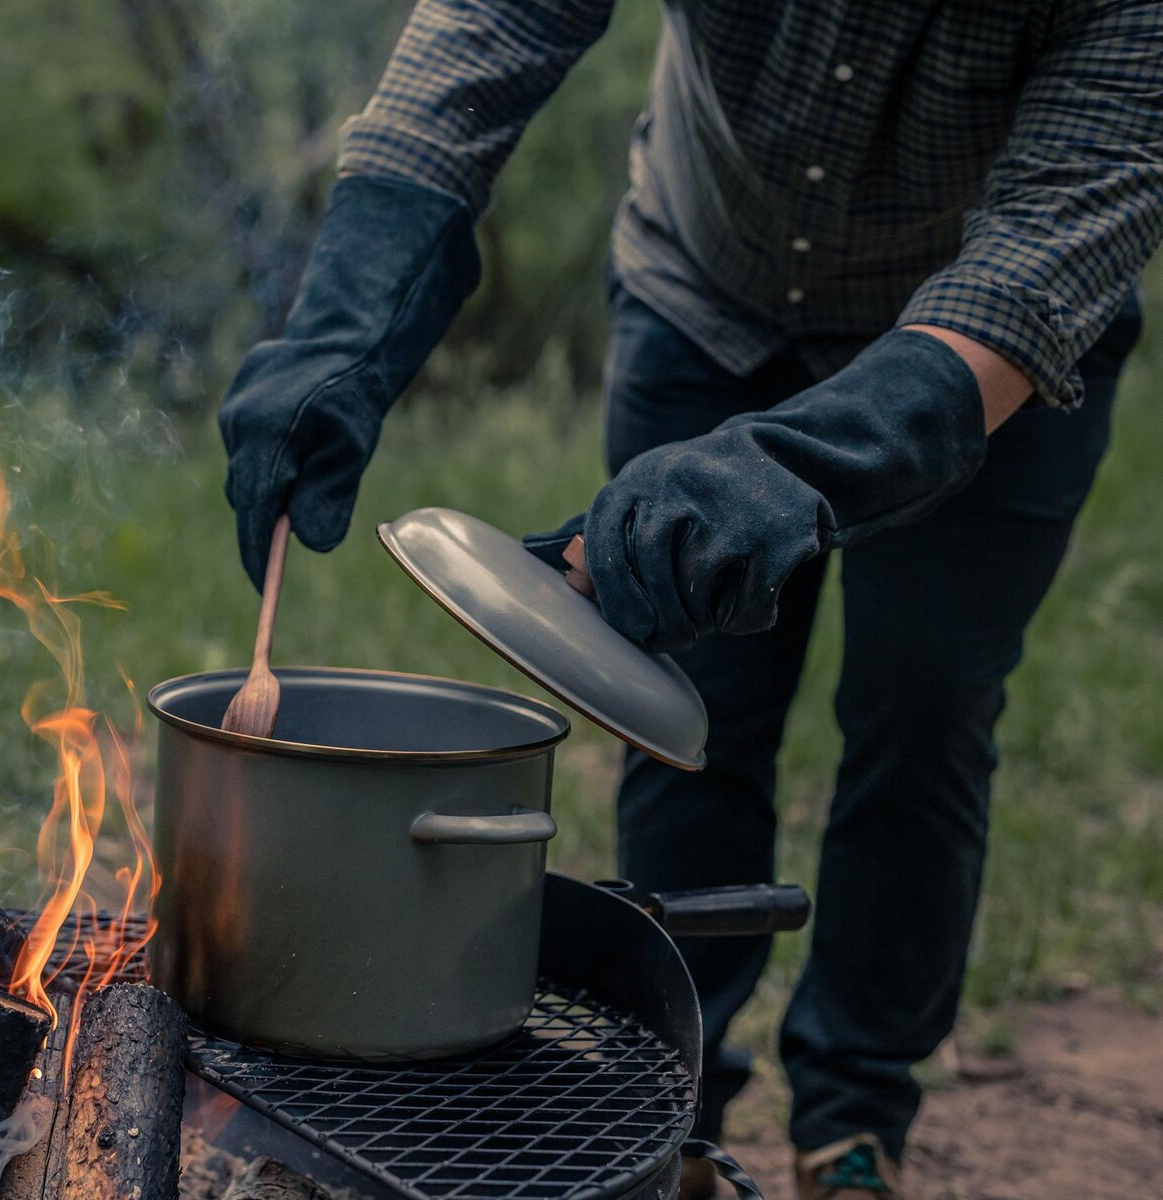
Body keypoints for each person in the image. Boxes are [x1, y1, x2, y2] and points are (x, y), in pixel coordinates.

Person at [218, 3, 1163, 1197]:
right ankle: (676, 1110)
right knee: (677, 708)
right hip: (702, 291)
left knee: (923, 712)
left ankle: (853, 1118)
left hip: (979, 362)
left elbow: (1041, 260)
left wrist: (792, 467)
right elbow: (490, 28)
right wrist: (344, 316)